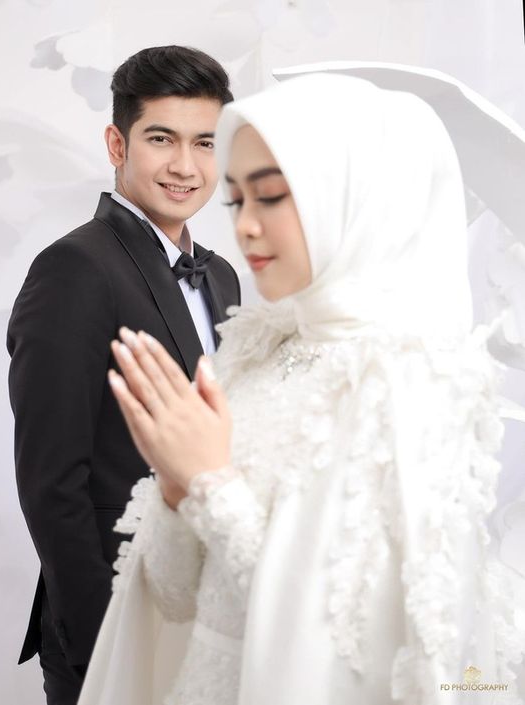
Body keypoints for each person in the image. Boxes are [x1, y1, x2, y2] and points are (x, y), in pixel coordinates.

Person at [80, 73, 524, 705]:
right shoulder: (258, 347)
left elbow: (349, 649)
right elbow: (175, 598)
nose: (245, 227)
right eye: (237, 201)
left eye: (271, 197)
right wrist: (177, 489)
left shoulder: (408, 381)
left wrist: (210, 483)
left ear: (355, 198)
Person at [7, 45, 240, 705]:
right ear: (117, 142)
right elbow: (52, 483)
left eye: (204, 142)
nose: (185, 166)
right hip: (114, 617)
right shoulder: (74, 269)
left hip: (209, 618)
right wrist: (104, 641)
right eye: (162, 139)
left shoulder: (221, 276)